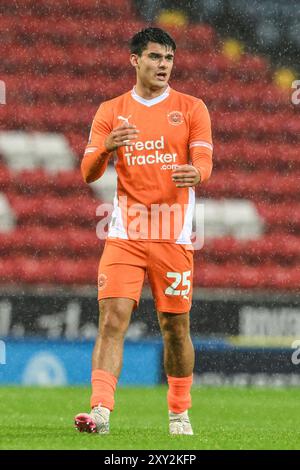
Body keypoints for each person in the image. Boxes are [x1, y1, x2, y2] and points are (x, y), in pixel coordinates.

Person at [74, 27, 213, 435]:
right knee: (111, 319)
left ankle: (179, 411)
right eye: (155, 57)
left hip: (173, 236)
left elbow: (204, 158)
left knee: (175, 328)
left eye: (168, 59)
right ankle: (100, 412)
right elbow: (87, 173)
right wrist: (106, 148)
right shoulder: (111, 111)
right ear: (135, 60)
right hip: (126, 234)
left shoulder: (192, 108)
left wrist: (197, 173)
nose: (163, 66)